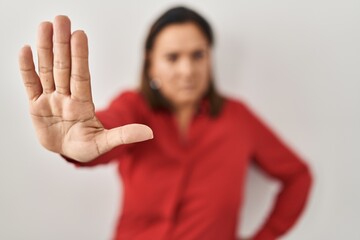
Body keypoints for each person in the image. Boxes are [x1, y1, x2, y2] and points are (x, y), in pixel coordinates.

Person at [18, 6, 312, 240]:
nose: (187, 70)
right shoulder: (134, 107)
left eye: (198, 55)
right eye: (172, 57)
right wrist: (77, 141)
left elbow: (298, 176)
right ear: (151, 63)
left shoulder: (238, 118)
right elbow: (105, 133)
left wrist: (265, 237)